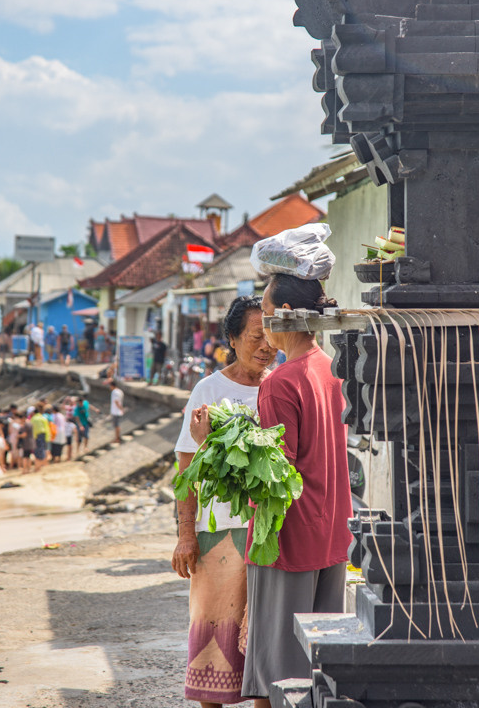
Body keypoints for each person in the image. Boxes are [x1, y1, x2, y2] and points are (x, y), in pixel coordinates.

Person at [239, 274, 352, 706]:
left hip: (286, 541)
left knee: (277, 673)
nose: (263, 322)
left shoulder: (280, 381)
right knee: (319, 668)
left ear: (285, 314)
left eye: (265, 311)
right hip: (331, 533)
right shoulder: (332, 369)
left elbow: (274, 473)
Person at [172, 296, 276, 707]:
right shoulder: (209, 389)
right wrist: (185, 535)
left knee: (263, 642)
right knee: (213, 637)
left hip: (269, 532)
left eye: (271, 334)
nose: (266, 344)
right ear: (232, 339)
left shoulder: (281, 382)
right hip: (218, 533)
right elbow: (185, 469)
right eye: (255, 335)